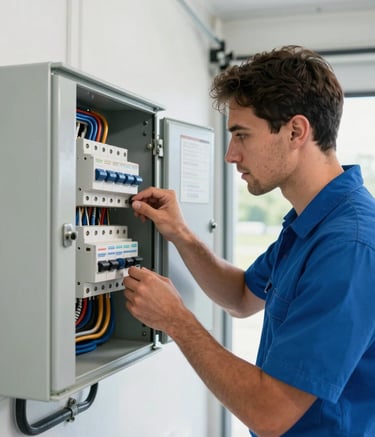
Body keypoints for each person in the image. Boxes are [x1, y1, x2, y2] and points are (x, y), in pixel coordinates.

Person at [123, 45, 375, 436]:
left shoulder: (348, 245)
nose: (230, 155)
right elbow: (241, 296)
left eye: (242, 135)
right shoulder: (311, 223)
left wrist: (175, 319)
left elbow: (270, 413)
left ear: (295, 131)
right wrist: (181, 234)